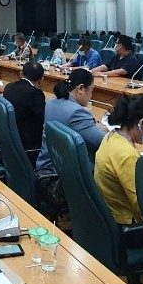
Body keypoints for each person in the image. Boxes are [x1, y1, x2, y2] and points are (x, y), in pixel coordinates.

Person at [34, 69, 106, 212]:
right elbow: (105, 142)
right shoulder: (77, 113)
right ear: (81, 88)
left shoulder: (52, 102)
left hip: (44, 172)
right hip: (59, 183)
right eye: (91, 90)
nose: (91, 96)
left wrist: (93, 124)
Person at [94, 94, 143, 225]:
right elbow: (141, 206)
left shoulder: (110, 137)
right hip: (125, 223)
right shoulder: (127, 155)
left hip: (107, 217)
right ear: (142, 123)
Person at [2, 61, 46, 154]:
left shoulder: (9, 86)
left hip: (6, 143)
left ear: (21, 73)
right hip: (25, 147)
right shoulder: (35, 93)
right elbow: (44, 118)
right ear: (42, 79)